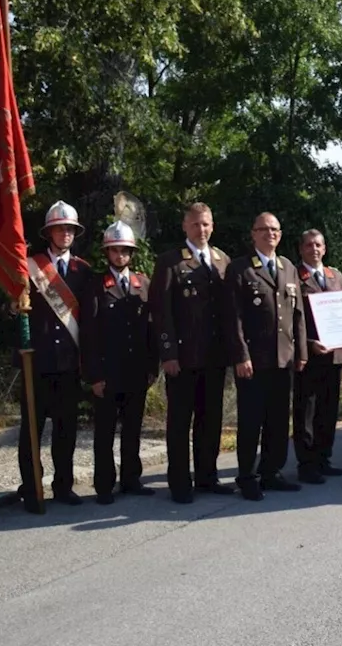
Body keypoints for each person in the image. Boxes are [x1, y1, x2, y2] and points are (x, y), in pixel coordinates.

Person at [149, 202, 236, 504]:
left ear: (213, 226)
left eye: (207, 224)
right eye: (196, 224)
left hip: (215, 357)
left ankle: (207, 476)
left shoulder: (222, 260)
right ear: (185, 227)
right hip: (183, 359)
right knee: (179, 422)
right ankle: (179, 482)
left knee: (210, 419)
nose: (202, 229)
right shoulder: (170, 262)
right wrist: (168, 353)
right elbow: (161, 313)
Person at [17, 200, 94, 512]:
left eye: (70, 229)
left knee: (66, 430)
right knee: (31, 430)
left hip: (67, 365)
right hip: (36, 362)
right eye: (60, 228)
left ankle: (63, 485)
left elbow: (89, 319)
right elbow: (10, 308)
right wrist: (14, 305)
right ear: (49, 232)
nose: (65, 233)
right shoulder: (28, 267)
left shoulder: (83, 271)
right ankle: (31, 487)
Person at [226, 212, 308, 501]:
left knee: (277, 420)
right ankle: (248, 476)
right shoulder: (240, 268)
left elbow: (298, 315)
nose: (269, 233)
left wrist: (302, 353)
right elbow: (232, 317)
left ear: (280, 234)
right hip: (253, 361)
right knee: (251, 421)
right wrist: (241, 356)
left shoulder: (288, 267)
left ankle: (272, 472)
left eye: (274, 229)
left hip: (283, 359)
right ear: (253, 233)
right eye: (263, 229)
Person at [80, 221, 157, 505]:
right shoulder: (96, 286)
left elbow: (151, 329)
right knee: (104, 432)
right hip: (108, 374)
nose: (120, 255)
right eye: (115, 250)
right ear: (107, 252)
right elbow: (88, 334)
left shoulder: (143, 283)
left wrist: (152, 368)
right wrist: (94, 376)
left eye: (125, 250)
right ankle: (103, 485)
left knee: (133, 429)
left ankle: (131, 479)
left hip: (137, 371)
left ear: (131, 253)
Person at [293, 229, 342, 484]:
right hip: (309, 355)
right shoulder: (294, 276)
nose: (313, 249)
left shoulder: (335, 275)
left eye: (318, 245)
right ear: (301, 249)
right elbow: (291, 318)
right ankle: (306, 463)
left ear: (324, 249)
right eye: (308, 245)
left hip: (334, 354)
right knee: (306, 410)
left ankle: (323, 458)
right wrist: (306, 344)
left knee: (329, 409)